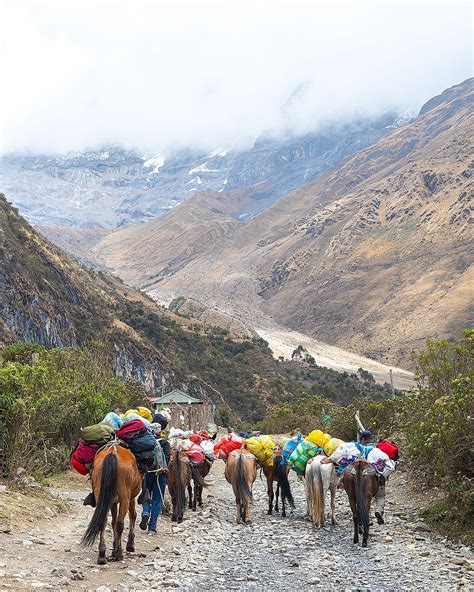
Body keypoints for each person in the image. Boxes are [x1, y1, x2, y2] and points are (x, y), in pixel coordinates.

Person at [140, 423, 171, 534]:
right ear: (160, 431)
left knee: (146, 495)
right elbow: (167, 460)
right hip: (160, 475)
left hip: (146, 474)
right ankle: (152, 528)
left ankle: (145, 512)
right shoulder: (165, 443)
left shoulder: (145, 442)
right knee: (157, 500)